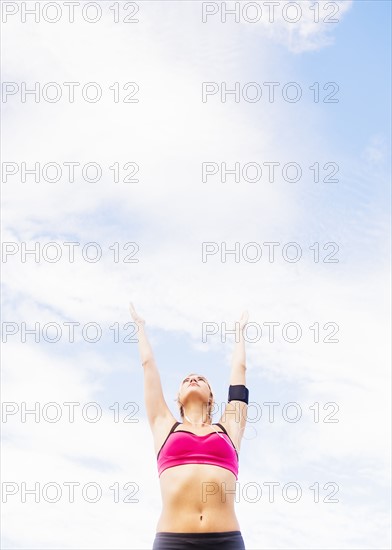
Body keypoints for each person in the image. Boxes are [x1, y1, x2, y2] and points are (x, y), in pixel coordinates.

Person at [129, 303, 249, 550]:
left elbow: (239, 372)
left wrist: (240, 334)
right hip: (173, 540)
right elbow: (148, 366)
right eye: (186, 380)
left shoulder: (229, 428)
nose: (193, 379)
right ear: (178, 398)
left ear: (211, 396)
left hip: (225, 540)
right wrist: (140, 328)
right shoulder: (164, 424)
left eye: (201, 379)